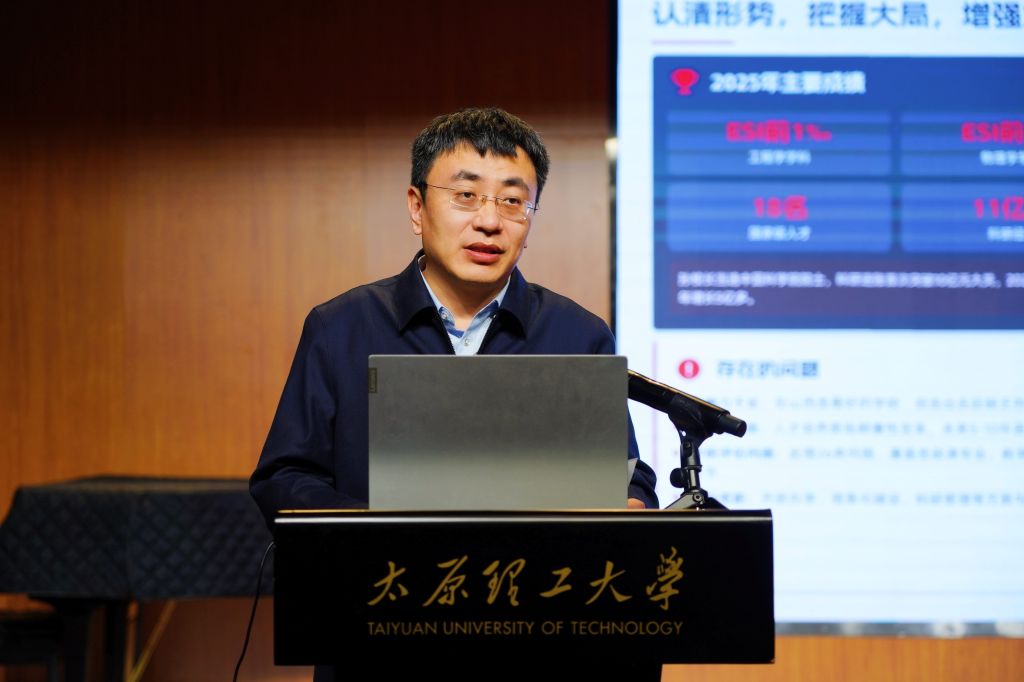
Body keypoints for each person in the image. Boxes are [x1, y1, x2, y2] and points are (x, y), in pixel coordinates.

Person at [250, 106, 658, 526]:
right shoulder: (341, 327)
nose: (489, 221)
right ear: (417, 208)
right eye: (466, 195)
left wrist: (631, 500)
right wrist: (382, 530)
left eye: (513, 201)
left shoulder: (578, 335)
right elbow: (284, 479)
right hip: (382, 567)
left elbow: (626, 475)